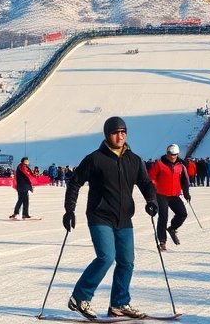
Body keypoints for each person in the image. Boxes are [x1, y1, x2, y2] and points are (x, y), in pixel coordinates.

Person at [63, 116, 158, 321]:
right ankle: (79, 297)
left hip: (124, 217)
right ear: (108, 134)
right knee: (106, 257)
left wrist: (151, 200)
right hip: (100, 216)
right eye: (116, 132)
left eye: (123, 132)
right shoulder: (95, 158)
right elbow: (75, 183)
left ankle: (119, 303)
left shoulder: (135, 160)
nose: (120, 135)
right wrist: (69, 210)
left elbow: (146, 183)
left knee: (127, 261)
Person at [149, 144, 191, 250]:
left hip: (174, 195)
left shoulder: (181, 166)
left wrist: (186, 193)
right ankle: (162, 242)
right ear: (167, 153)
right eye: (170, 154)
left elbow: (185, 181)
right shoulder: (159, 164)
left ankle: (172, 228)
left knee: (182, 213)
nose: (172, 156)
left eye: (174, 154)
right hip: (161, 194)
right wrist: (153, 188)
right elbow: (151, 177)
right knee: (163, 217)